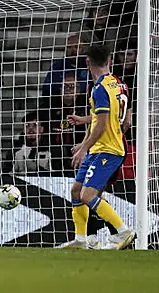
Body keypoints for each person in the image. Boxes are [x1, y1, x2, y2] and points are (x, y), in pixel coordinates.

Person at [62, 44, 135, 250]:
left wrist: (84, 147)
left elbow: (102, 124)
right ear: (109, 61)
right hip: (102, 147)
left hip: (108, 150)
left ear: (87, 62)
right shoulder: (119, 84)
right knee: (76, 191)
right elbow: (108, 117)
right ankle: (81, 239)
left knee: (88, 195)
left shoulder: (99, 89)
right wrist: (83, 120)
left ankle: (123, 231)